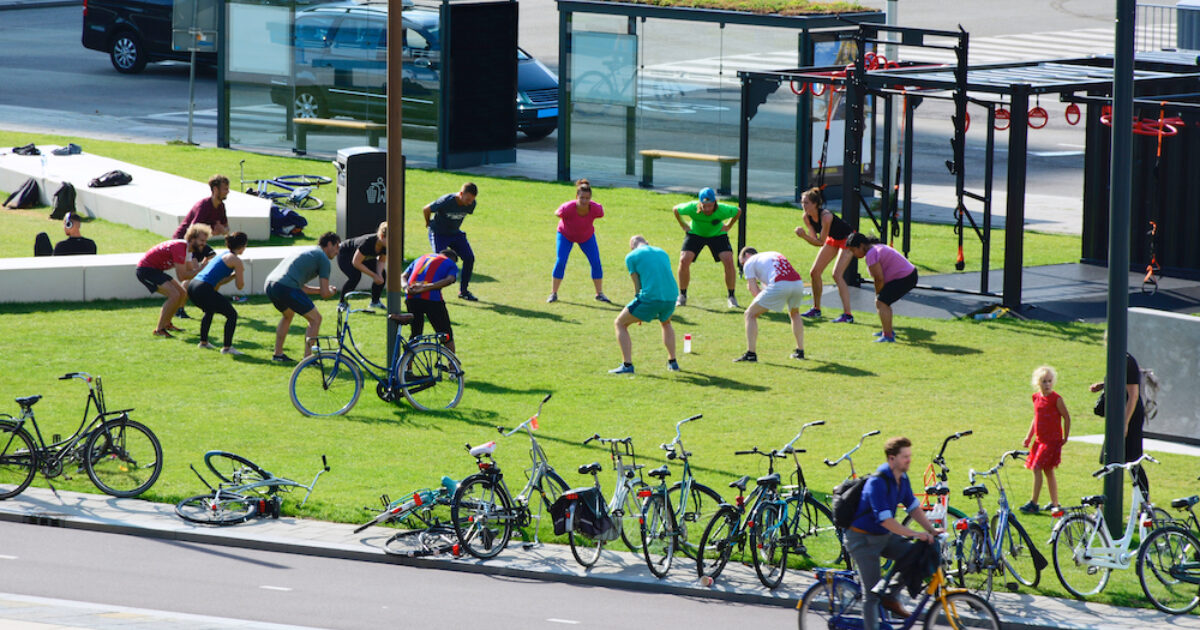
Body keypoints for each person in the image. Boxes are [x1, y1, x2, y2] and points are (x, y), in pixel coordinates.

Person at [847, 436, 942, 630]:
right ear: (892, 459)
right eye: (904, 456)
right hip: (862, 540)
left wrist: (931, 530)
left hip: (883, 537)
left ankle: (890, 596)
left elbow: (914, 508)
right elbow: (887, 521)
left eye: (910, 455)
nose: (909, 460)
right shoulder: (878, 482)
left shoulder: (902, 478)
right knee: (872, 595)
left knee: (915, 553)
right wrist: (915, 534)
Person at [264, 232, 341, 363]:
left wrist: (323, 290)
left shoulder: (308, 251)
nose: (338, 252)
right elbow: (325, 294)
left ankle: (278, 354)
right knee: (316, 319)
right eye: (337, 247)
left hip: (270, 284)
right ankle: (308, 358)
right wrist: (331, 291)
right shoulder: (323, 259)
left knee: (288, 315)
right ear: (329, 244)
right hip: (286, 287)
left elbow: (302, 288)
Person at [610, 235, 680, 375]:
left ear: (632, 247)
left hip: (650, 297)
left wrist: (638, 310)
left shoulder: (631, 257)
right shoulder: (662, 251)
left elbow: (637, 286)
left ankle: (627, 365)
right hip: (671, 296)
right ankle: (673, 362)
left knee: (620, 323)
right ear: (647, 243)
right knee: (666, 323)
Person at [135, 224, 211, 338]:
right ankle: (159, 329)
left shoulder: (188, 250)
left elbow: (191, 272)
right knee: (174, 295)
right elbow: (182, 276)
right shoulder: (180, 247)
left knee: (182, 293)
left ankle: (167, 324)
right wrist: (201, 269)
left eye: (205, 241)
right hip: (146, 271)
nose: (204, 244)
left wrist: (202, 268)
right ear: (192, 239)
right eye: (201, 240)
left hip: (156, 270)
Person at [1090, 352, 1149, 492]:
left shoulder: (1127, 361)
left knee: (1133, 461)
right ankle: (1105, 503)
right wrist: (1103, 385)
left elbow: (1133, 395)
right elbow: (1120, 380)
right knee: (1110, 458)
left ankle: (1145, 504)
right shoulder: (1115, 358)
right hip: (1117, 415)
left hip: (1129, 414)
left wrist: (1125, 423)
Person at [673, 187, 741, 309]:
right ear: (700, 203)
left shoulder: (723, 209)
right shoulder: (692, 207)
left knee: (729, 261)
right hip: (695, 234)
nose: (707, 209)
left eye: (710, 205)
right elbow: (676, 210)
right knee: (684, 260)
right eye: (704, 206)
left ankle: (731, 297)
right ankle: (682, 296)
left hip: (717, 235)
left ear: (715, 202)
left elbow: (738, 211)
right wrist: (683, 225)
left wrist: (729, 225)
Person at [734, 247, 807, 362]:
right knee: (795, 314)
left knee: (749, 314)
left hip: (780, 283)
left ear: (747, 255)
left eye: (742, 263)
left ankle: (751, 354)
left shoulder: (749, 263)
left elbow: (754, 290)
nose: (743, 266)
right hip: (797, 283)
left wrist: (760, 301)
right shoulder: (772, 254)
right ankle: (800, 351)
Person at [795, 187, 854, 323]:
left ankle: (848, 315)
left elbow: (820, 242)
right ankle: (816, 309)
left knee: (837, 274)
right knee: (814, 272)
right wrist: (805, 236)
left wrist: (803, 236)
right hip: (833, 239)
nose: (803, 206)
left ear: (815, 204)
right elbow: (814, 240)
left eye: (806, 203)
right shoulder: (806, 217)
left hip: (848, 239)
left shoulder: (826, 217)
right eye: (802, 203)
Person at [847, 233, 918, 343]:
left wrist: (878, 294)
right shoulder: (876, 247)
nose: (853, 254)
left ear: (861, 246)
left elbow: (879, 279)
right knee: (883, 302)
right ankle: (887, 330)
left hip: (906, 277)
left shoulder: (871, 254)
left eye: (853, 250)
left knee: (881, 302)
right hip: (910, 275)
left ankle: (888, 336)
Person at [548, 178, 609, 304]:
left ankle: (600, 293)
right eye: (582, 198)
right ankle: (553, 293)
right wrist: (561, 214)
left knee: (596, 262)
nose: (584, 201)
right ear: (577, 196)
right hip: (565, 235)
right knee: (561, 261)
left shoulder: (595, 209)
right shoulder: (568, 208)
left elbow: (601, 213)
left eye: (587, 198)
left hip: (586, 237)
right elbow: (557, 212)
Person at [187, 232, 248, 355]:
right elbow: (240, 286)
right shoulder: (236, 261)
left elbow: (220, 281)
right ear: (243, 246)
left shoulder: (223, 254)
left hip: (192, 286)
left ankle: (203, 343)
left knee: (209, 311)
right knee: (232, 315)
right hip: (203, 287)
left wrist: (233, 276)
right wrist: (239, 273)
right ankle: (227, 348)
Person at [1020, 365, 1071, 513]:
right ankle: (1055, 504)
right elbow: (1036, 418)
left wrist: (1065, 436)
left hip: (1051, 441)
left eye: (1049, 381)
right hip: (1040, 440)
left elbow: (1066, 417)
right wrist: (1029, 437)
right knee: (1048, 470)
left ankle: (1034, 503)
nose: (1047, 384)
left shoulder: (1057, 399)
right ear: (1038, 383)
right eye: (1044, 381)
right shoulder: (1036, 398)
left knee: (1037, 468)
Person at [423, 182, 478, 301]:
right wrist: (428, 223)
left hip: (454, 233)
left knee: (469, 258)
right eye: (468, 199)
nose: (470, 203)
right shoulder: (446, 200)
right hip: (439, 233)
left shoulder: (472, 204)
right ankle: (432, 291)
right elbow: (426, 209)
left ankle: (463, 291)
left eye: (472, 200)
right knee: (440, 261)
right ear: (461, 193)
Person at [401, 248, 461, 353]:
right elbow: (450, 279)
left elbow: (403, 276)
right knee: (445, 333)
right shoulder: (450, 263)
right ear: (452, 259)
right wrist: (426, 287)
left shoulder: (421, 258)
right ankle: (453, 366)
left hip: (411, 297)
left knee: (415, 333)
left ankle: (407, 367)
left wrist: (406, 287)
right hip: (432, 299)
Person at [338, 222, 388, 309]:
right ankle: (342, 303)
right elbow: (356, 262)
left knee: (382, 274)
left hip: (363, 257)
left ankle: (375, 302)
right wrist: (374, 275)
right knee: (355, 276)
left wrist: (378, 275)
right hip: (346, 254)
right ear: (382, 236)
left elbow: (381, 260)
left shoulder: (385, 245)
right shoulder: (368, 242)